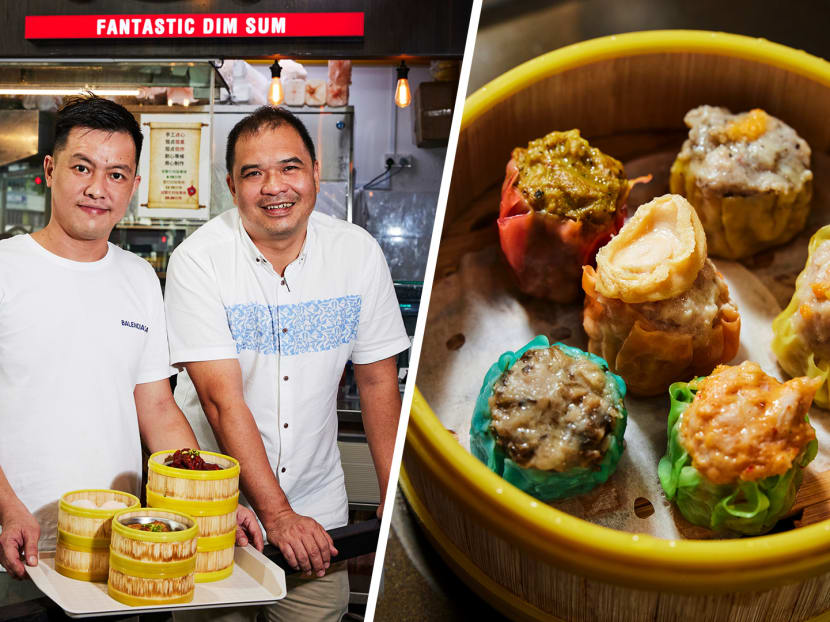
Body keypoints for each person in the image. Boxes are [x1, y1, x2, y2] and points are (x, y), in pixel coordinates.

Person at [0, 96, 262, 603]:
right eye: (83, 168)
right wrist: (6, 509)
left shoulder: (139, 277)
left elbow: (158, 406)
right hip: (16, 542)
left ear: (135, 187)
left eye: (117, 174)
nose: (99, 188)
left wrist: (212, 502)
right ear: (50, 170)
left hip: (117, 547)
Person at [164, 106, 409, 621]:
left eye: (289, 167)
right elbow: (219, 398)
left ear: (315, 173)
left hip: (318, 513)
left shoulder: (357, 253)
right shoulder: (199, 259)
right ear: (233, 187)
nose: (274, 187)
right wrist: (276, 516)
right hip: (216, 510)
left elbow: (377, 378)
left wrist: (394, 495)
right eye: (253, 173)